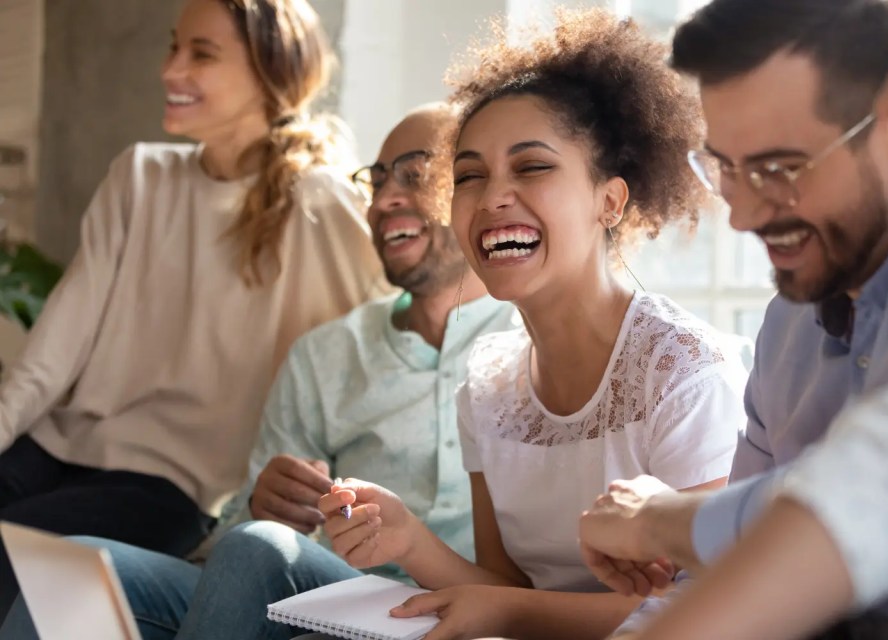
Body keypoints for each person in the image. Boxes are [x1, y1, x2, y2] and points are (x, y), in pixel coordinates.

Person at [576, 1, 888, 639]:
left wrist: (659, 520)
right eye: (726, 169)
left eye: (780, 169)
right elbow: (725, 570)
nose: (742, 216)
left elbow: (885, 491)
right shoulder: (788, 325)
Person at [0, 104, 518, 640]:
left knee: (260, 551)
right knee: (80, 567)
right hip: (330, 588)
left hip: (451, 608)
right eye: (378, 178)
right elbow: (235, 533)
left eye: (415, 176)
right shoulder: (327, 353)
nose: (384, 200)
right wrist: (261, 505)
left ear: (475, 192)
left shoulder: (530, 344)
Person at [318, 9, 748, 640]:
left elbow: (715, 610)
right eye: (469, 176)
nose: (492, 196)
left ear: (610, 200)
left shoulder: (684, 373)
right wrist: (408, 539)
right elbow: (509, 587)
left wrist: (511, 612)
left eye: (532, 167)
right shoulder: (488, 385)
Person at [0, 0, 388, 618]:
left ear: (270, 69)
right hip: (53, 448)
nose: (171, 69)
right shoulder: (138, 176)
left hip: (174, 489)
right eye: (172, 47)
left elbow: (381, 341)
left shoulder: (319, 204)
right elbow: (54, 350)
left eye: (200, 54)